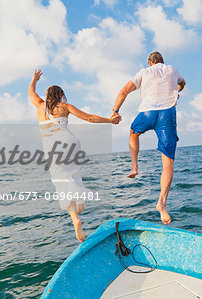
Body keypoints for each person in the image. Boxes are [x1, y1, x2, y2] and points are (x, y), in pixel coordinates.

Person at [29, 69, 121, 242]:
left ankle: (75, 219)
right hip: (69, 141)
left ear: (47, 96)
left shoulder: (40, 106)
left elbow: (31, 92)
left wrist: (34, 80)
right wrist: (110, 120)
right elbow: (89, 118)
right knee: (73, 173)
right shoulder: (65, 107)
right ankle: (80, 202)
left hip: (51, 147)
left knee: (61, 181)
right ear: (61, 95)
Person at [112, 51, 186, 225]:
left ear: (150, 62)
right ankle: (162, 204)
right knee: (168, 164)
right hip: (167, 114)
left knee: (133, 132)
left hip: (147, 113)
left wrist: (115, 111)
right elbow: (183, 83)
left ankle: (134, 166)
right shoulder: (172, 70)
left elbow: (123, 92)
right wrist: (176, 91)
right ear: (162, 62)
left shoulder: (144, 72)